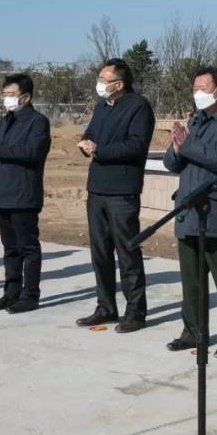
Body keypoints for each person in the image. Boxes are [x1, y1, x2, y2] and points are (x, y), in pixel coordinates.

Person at [162, 66, 217, 359]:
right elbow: (172, 163)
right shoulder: (195, 121)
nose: (198, 94)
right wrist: (176, 148)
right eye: (195, 89)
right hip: (189, 212)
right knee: (192, 282)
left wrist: (188, 145)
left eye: (203, 89)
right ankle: (193, 332)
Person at [75, 59, 154, 333]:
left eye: (103, 79)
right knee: (100, 252)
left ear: (119, 84)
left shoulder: (139, 107)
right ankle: (105, 307)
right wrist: (86, 144)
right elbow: (91, 134)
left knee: (127, 251)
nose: (99, 84)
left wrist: (100, 151)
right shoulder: (101, 107)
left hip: (122, 190)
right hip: (96, 188)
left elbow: (135, 146)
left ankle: (136, 311)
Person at [0, 74, 51, 313]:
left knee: (28, 248)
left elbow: (31, 152)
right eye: (5, 94)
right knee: (10, 248)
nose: (7, 99)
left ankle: (30, 295)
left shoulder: (38, 122)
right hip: (3, 193)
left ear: (26, 97)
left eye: (11, 95)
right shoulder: (5, 121)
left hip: (24, 194)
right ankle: (11, 292)